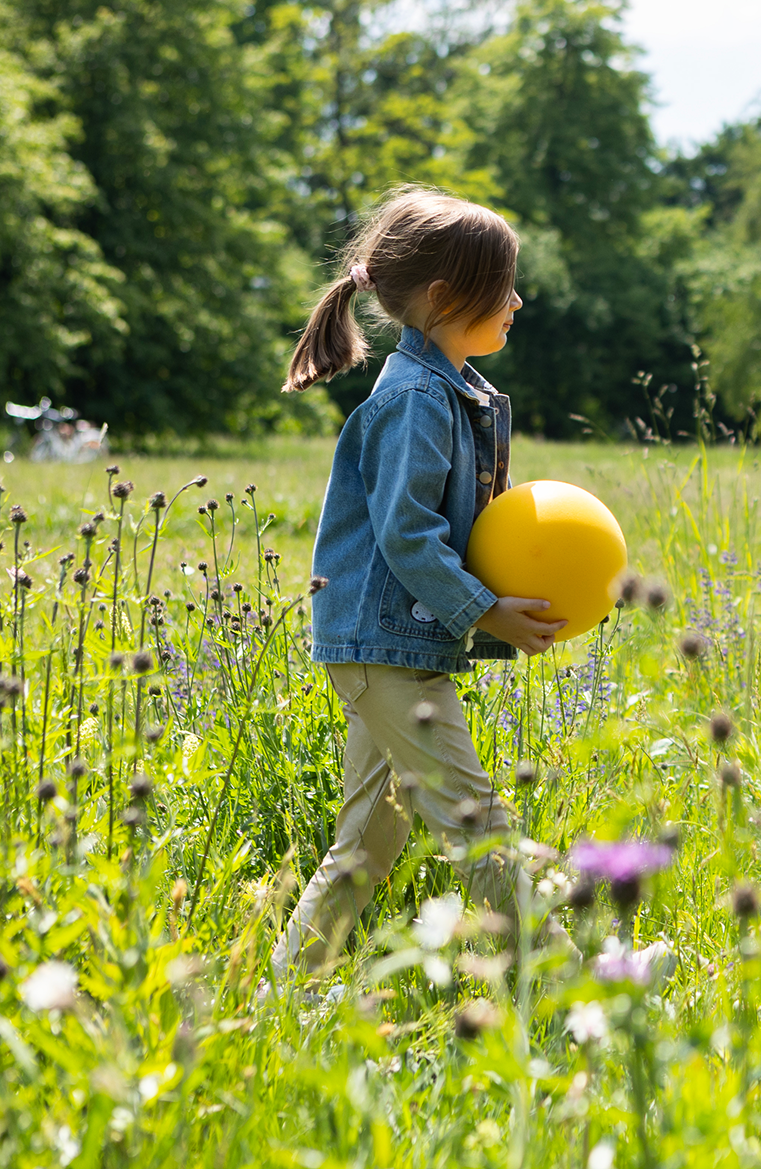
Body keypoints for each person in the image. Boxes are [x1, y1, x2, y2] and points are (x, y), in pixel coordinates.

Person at [272, 186, 560, 981]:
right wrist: (485, 609)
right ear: (444, 298)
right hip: (382, 644)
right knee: (477, 821)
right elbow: (406, 534)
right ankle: (578, 990)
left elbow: (460, 527)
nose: (517, 300)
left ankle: (280, 996)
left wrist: (499, 592)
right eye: (501, 286)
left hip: (395, 644)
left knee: (367, 841)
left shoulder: (451, 391)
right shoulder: (414, 400)